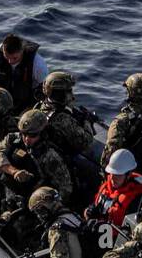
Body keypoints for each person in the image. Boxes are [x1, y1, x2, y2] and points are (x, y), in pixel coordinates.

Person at [6, 187, 99, 258]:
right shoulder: (73, 216)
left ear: (43, 208)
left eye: (38, 211)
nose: (38, 216)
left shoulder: (56, 228)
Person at [0, 108, 73, 211]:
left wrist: (43, 202)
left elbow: (65, 188)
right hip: (8, 188)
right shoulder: (13, 139)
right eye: (24, 133)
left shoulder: (50, 156)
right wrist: (14, 172)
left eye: (32, 135)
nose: (26, 139)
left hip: (30, 202)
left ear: (42, 133)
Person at [37, 70, 99, 204]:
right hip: (60, 160)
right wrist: (87, 121)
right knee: (93, 171)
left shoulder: (42, 107)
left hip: (48, 153)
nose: (72, 96)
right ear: (59, 95)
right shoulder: (62, 118)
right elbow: (86, 141)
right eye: (69, 92)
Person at [88, 148, 142, 227]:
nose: (113, 178)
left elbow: (133, 230)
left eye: (118, 174)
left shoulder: (139, 199)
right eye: (112, 173)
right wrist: (89, 211)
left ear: (129, 174)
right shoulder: (106, 186)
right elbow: (95, 203)